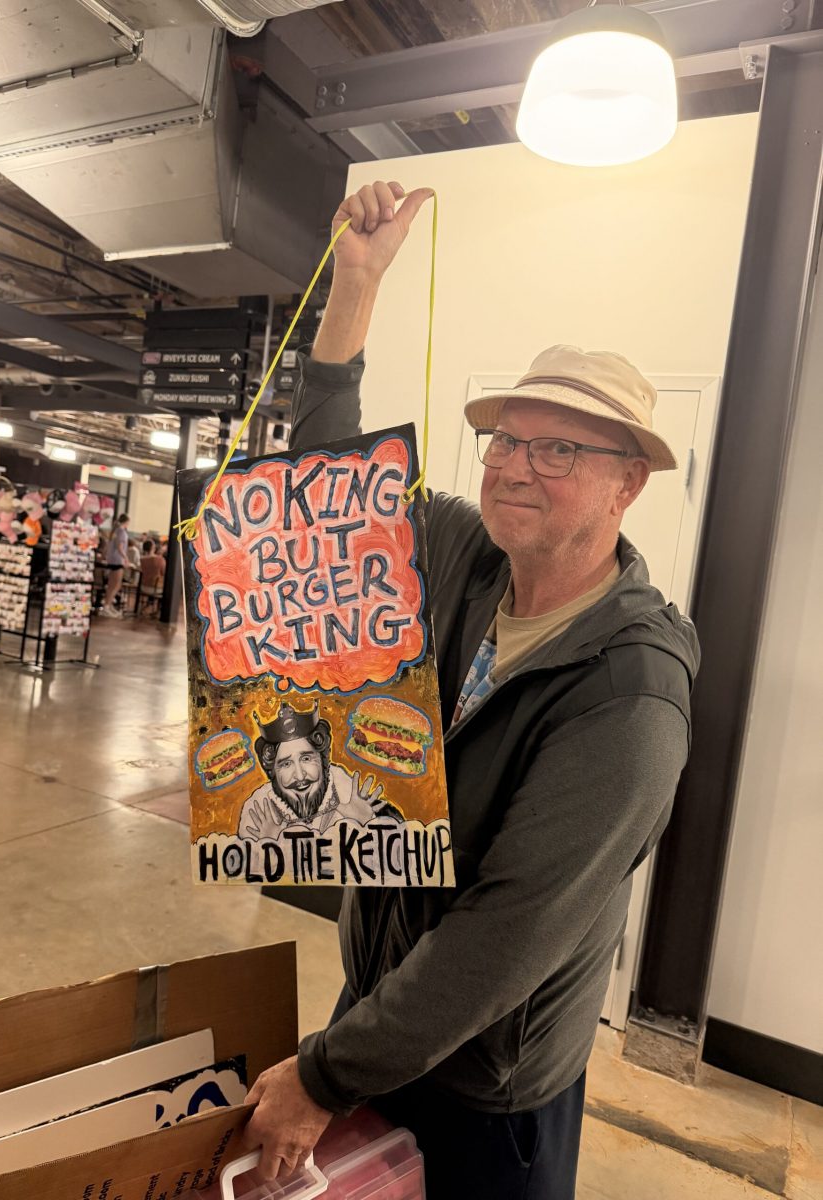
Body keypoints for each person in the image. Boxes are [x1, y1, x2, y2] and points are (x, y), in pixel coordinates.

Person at [242, 182, 699, 1200]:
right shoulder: (465, 559)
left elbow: (505, 935)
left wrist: (325, 1074)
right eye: (506, 441)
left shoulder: (631, 693)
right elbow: (324, 492)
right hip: (382, 1015)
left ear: (628, 484)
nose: (515, 469)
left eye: (559, 449)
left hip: (489, 1085)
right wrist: (356, 286)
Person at [238, 702, 402, 840]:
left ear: (323, 759)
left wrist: (366, 824)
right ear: (272, 771)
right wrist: (269, 847)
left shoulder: (345, 791)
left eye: (306, 759)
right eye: (286, 764)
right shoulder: (257, 810)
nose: (300, 776)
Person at [101, 512, 129, 618]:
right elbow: (120, 547)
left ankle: (108, 605)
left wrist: (104, 555)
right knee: (116, 585)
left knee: (112, 585)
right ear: (127, 522)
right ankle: (107, 606)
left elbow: (109, 545)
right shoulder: (121, 532)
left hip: (112, 560)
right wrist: (126, 558)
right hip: (118, 560)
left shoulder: (115, 531)